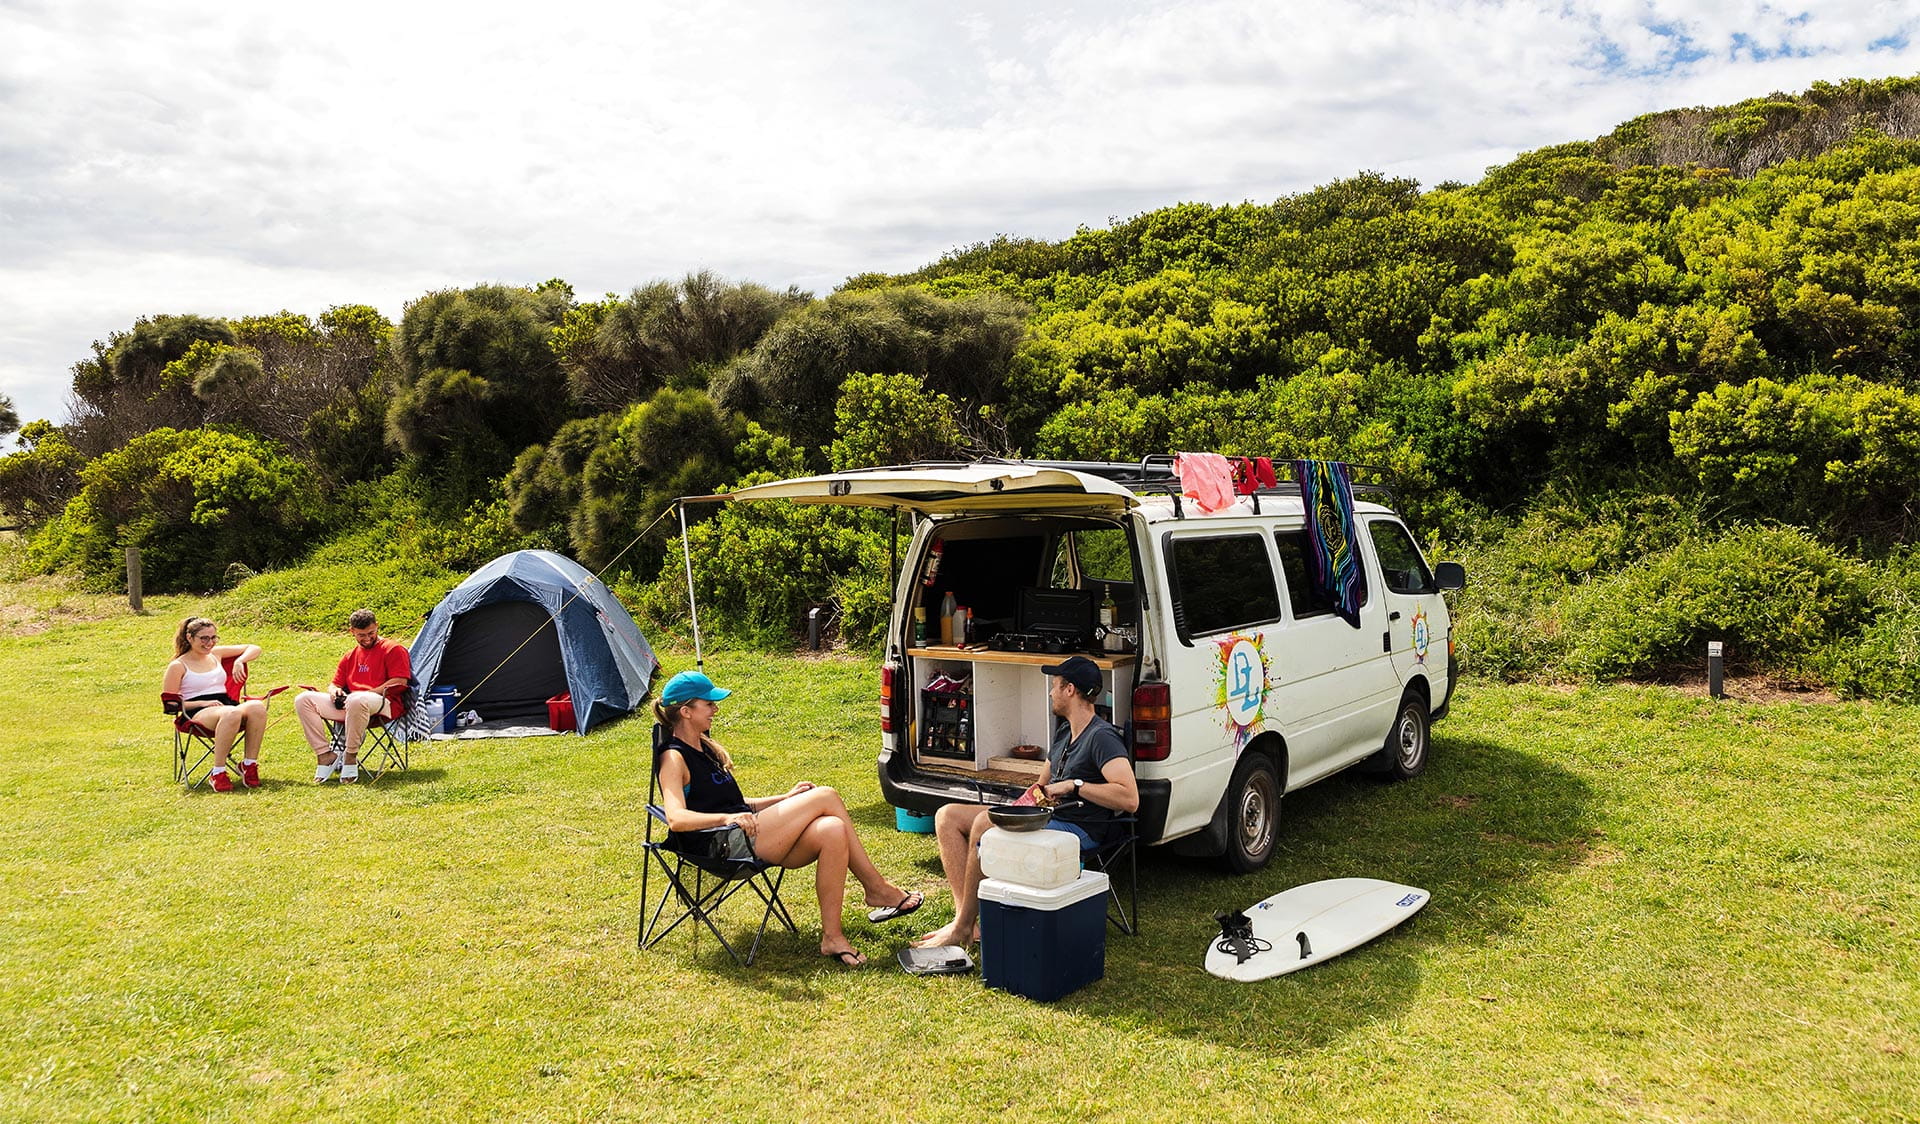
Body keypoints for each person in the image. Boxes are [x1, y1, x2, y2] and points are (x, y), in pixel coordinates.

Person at [654, 670, 923, 967]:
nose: (716, 710)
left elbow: (737, 805)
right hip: (720, 847)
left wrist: (785, 798)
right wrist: (728, 819)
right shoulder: (673, 758)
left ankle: (832, 937)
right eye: (709, 704)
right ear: (686, 711)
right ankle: (876, 888)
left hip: (745, 835)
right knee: (826, 795)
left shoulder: (704, 749)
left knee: (832, 829)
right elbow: (676, 818)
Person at [914, 655, 1139, 949]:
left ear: (1070, 689)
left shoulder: (1101, 738)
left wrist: (1077, 785)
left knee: (983, 824)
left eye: (1055, 686)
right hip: (1046, 817)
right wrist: (1026, 801)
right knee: (947, 817)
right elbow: (1041, 786)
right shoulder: (1064, 732)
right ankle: (968, 922)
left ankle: (961, 929)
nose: (1050, 692)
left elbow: (1129, 798)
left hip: (1080, 827)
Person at [295, 608, 411, 784]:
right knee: (303, 699)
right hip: (352, 706)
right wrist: (334, 691)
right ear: (352, 632)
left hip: (385, 704)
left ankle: (350, 756)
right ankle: (325, 754)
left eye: (371, 633)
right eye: (361, 635)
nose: (367, 638)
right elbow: (335, 683)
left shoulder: (393, 649)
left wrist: (364, 694)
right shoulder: (350, 656)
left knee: (357, 699)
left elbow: (400, 681)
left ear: (377, 626)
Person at [163, 616, 271, 791]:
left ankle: (249, 765)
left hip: (225, 704)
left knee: (257, 707)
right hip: (196, 711)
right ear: (189, 638)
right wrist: (204, 703)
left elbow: (254, 648)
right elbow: (170, 705)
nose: (209, 643)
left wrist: (239, 660)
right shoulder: (178, 665)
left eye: (213, 638)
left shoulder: (216, 654)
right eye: (204, 638)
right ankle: (218, 772)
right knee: (232, 713)